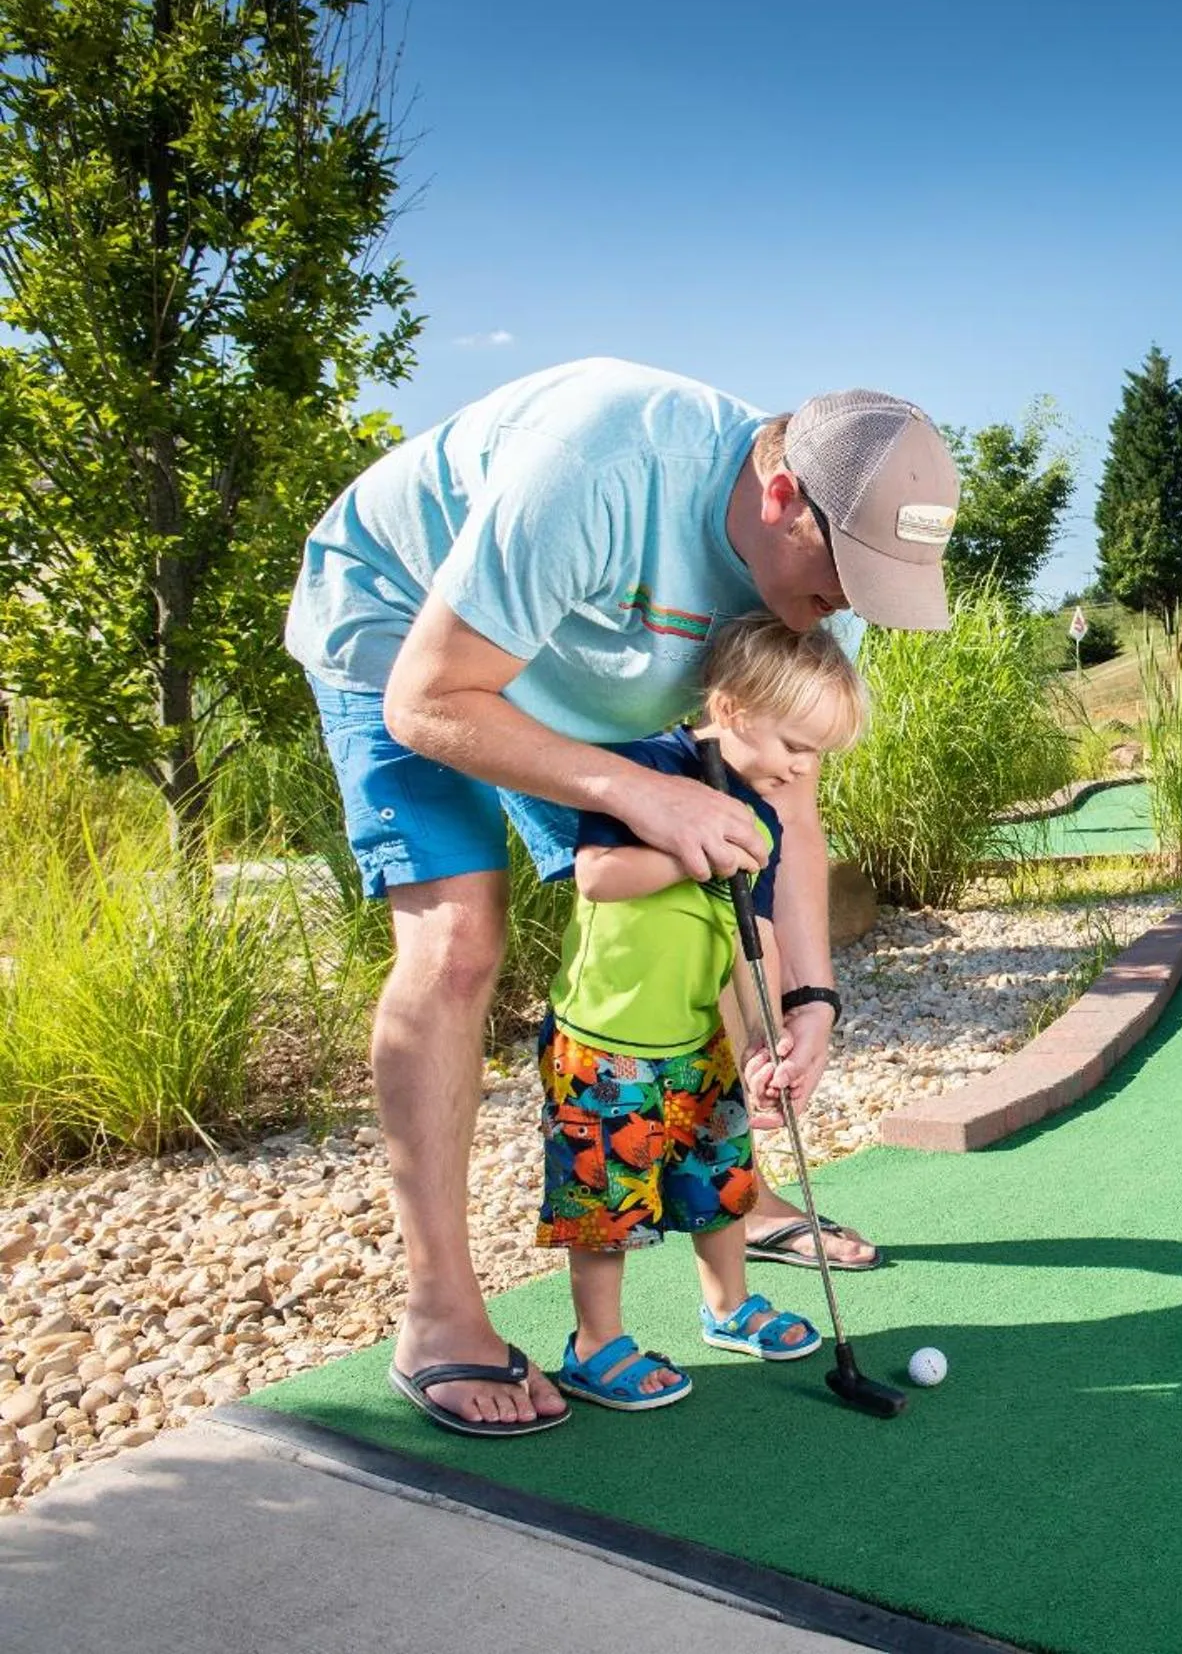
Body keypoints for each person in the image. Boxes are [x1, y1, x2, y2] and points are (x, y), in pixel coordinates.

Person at [284, 358, 957, 1435]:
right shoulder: (600, 466)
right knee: (460, 941)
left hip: (602, 666)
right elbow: (428, 700)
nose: (845, 611)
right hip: (408, 636)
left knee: (699, 895)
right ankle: (442, 1310)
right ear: (782, 495)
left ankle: (731, 1203)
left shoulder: (835, 575)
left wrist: (815, 999)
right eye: (839, 581)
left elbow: (788, 815)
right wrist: (637, 791)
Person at [534, 616, 865, 1412]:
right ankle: (595, 1346)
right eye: (796, 744)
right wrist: (695, 850)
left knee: (722, 1180)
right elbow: (599, 876)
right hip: (604, 1041)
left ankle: (728, 1307)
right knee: (605, 1204)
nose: (803, 766)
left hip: (696, 1039)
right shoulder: (649, 768)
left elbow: (758, 929)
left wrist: (766, 1040)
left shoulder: (765, 814)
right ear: (734, 708)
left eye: (816, 753)